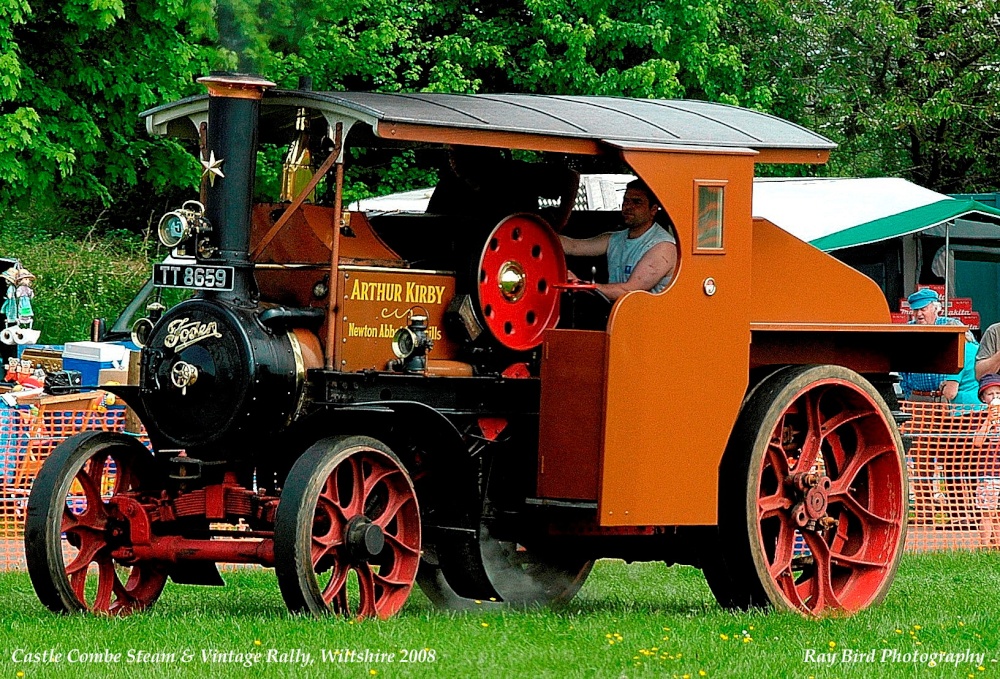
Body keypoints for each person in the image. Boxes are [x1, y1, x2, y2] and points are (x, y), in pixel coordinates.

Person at [558, 179, 678, 301]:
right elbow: (573, 246)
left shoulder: (663, 247)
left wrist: (580, 285)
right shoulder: (616, 239)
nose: (628, 206)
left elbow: (628, 291)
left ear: (653, 210)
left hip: (648, 312)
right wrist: (547, 235)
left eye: (637, 202)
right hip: (620, 310)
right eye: (626, 200)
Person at [427, 145, 580, 231]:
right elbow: (430, 222)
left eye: (458, 154)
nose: (452, 160)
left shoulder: (515, 173)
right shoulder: (449, 185)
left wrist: (559, 223)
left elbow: (570, 177)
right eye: (450, 154)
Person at [899, 288, 979, 404]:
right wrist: (908, 394)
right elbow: (901, 366)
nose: (919, 314)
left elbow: (970, 355)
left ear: (936, 309)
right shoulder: (907, 331)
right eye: (915, 310)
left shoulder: (951, 326)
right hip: (917, 397)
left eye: (923, 309)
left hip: (945, 397)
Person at [973, 373, 1000, 547]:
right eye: (990, 394)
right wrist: (989, 421)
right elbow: (977, 442)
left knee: (997, 513)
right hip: (988, 473)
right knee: (987, 512)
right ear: (983, 398)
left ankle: (997, 544)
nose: (995, 397)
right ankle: (984, 545)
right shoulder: (980, 417)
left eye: (998, 394)